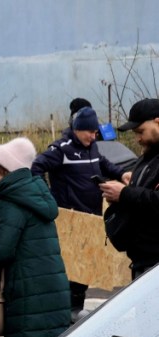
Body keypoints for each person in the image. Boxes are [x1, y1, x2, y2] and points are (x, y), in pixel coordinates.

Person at [32, 106, 126, 318]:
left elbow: (103, 163)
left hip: (91, 217)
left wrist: (122, 174)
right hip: (70, 219)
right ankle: (64, 311)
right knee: (70, 267)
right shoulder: (61, 149)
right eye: (90, 132)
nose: (94, 137)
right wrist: (46, 195)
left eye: (95, 133)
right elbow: (37, 167)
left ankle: (77, 307)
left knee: (84, 265)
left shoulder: (92, 147)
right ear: (78, 129)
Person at [0, 137, 71, 337]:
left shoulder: (10, 201)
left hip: (27, 299)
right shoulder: (37, 194)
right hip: (51, 296)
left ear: (6, 170)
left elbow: (1, 251)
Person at [100, 98, 159, 279]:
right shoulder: (149, 155)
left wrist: (124, 194)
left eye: (141, 131)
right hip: (143, 261)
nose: (138, 138)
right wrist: (121, 194)